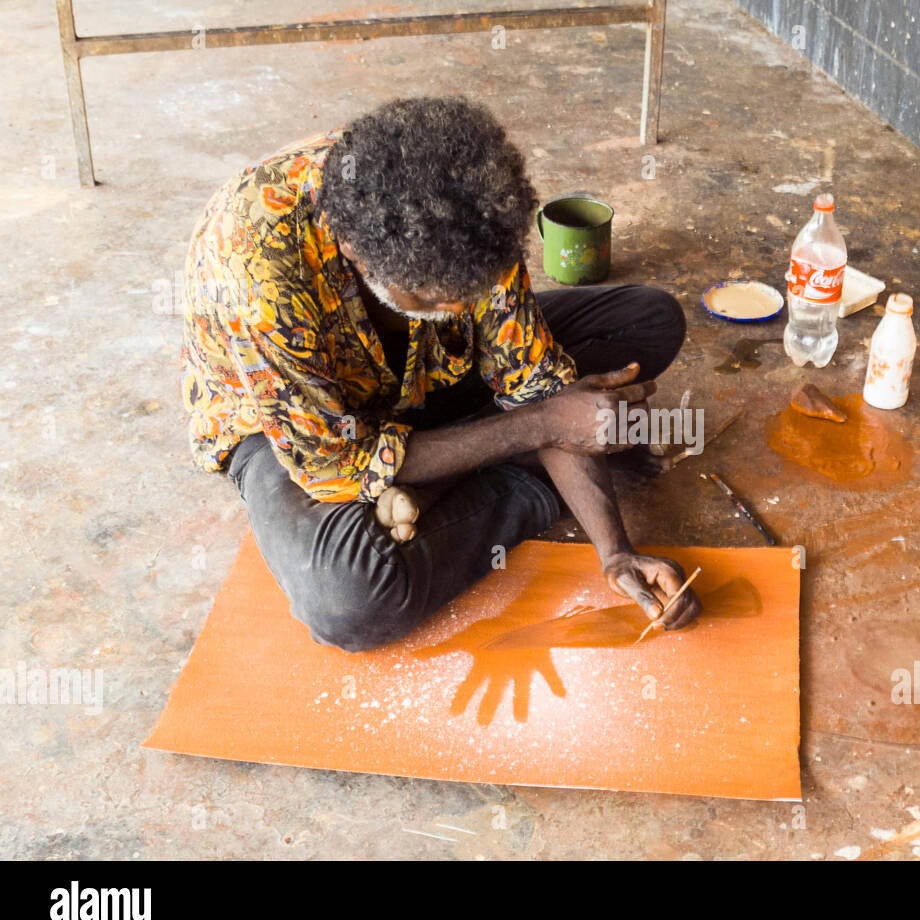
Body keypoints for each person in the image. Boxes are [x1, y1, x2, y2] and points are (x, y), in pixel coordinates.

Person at [181, 96, 702, 651]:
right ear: (359, 253)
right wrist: (542, 427)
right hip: (294, 425)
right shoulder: (257, 268)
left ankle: (452, 469)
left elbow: (536, 381)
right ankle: (518, 466)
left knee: (649, 322)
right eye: (441, 298)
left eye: (472, 294)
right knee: (349, 600)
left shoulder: (469, 208)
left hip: (425, 373)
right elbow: (334, 466)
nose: (462, 308)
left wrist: (615, 553)